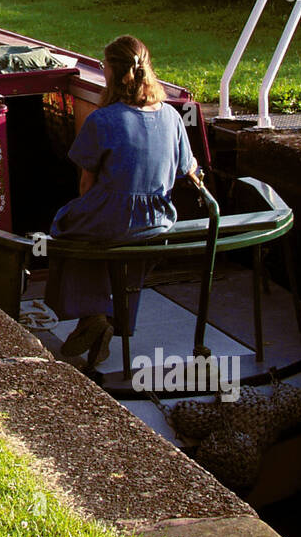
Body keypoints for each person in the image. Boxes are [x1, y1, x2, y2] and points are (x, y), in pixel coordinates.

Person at [46, 35, 200, 359]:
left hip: (113, 215)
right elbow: (190, 168)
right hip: (159, 219)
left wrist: (82, 210)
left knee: (66, 230)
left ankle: (92, 315)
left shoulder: (103, 119)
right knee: (124, 247)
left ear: (112, 73)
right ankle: (117, 318)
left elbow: (86, 183)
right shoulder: (172, 117)